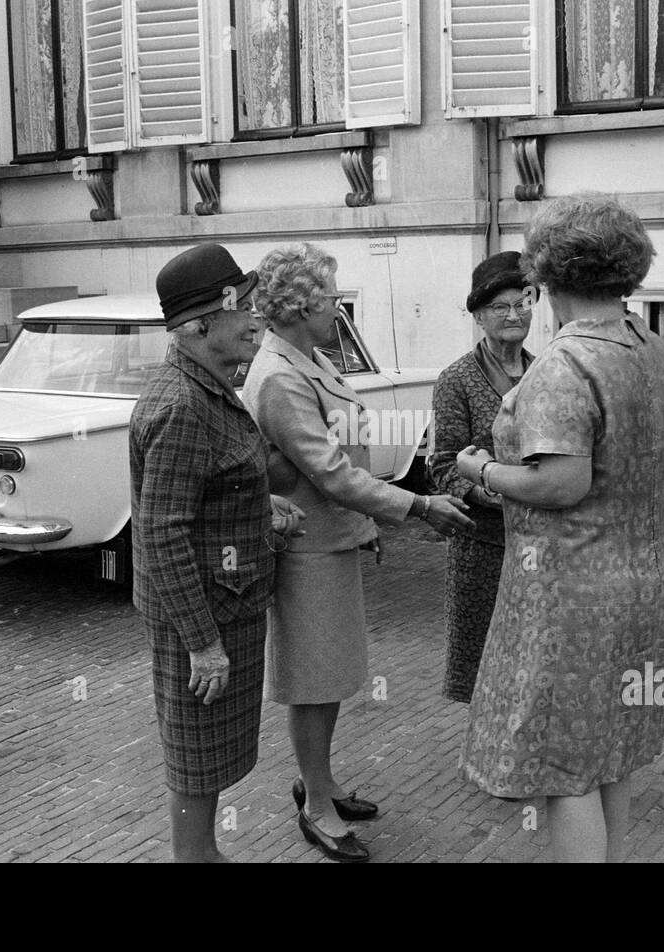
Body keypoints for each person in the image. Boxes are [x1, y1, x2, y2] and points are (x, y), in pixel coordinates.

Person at [455, 194, 664, 863]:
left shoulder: (564, 361)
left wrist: (482, 469)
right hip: (642, 573)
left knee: (564, 765)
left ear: (547, 277)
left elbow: (560, 483)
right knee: (610, 752)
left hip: (573, 587)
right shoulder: (650, 346)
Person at [242, 242, 474, 863]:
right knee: (313, 679)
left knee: (334, 675)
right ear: (297, 306)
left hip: (329, 540)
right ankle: (316, 803)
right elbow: (333, 473)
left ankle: (321, 782)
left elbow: (343, 464)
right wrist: (418, 508)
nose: (337, 308)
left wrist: (364, 525)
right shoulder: (282, 377)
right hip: (304, 551)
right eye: (329, 299)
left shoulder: (307, 357)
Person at [130, 242, 303, 863]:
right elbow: (163, 534)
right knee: (195, 760)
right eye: (244, 308)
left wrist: (260, 511)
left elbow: (209, 494)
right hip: (200, 617)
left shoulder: (205, 386)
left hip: (219, 603)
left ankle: (202, 854)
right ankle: (195, 858)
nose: (257, 320)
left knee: (205, 756)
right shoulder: (182, 406)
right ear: (200, 325)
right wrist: (203, 645)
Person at [428, 251, 536, 703]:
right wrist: (484, 490)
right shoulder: (456, 380)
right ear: (478, 316)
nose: (514, 315)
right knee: (485, 674)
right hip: (483, 547)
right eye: (500, 307)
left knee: (532, 663)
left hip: (537, 543)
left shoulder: (545, 373)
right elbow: (442, 465)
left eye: (522, 302)